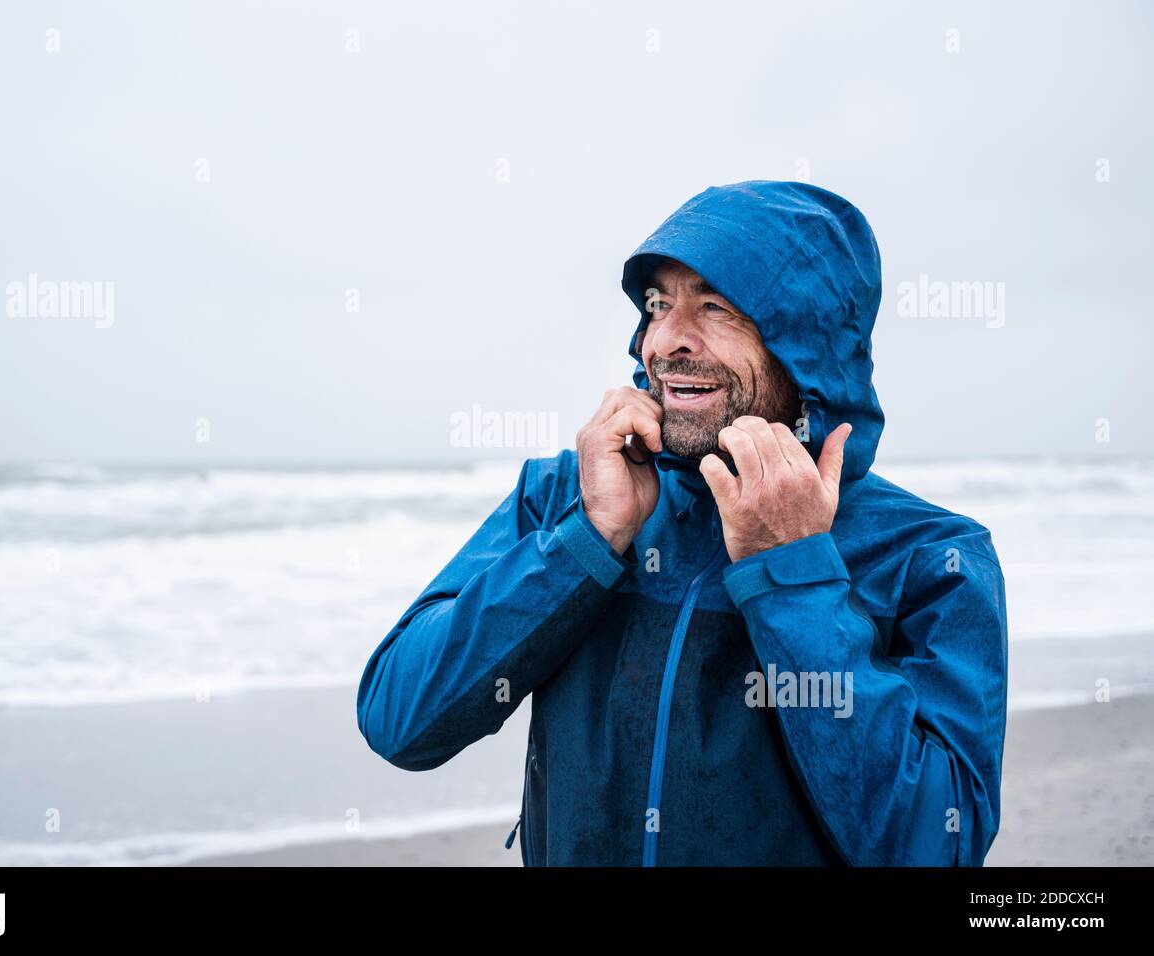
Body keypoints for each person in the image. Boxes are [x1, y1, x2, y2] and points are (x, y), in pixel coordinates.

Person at [356, 181, 1009, 866]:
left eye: (715, 306)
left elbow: (936, 846)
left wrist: (795, 574)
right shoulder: (563, 496)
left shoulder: (931, 557)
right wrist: (586, 543)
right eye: (658, 305)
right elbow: (400, 723)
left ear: (808, 341)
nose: (665, 340)